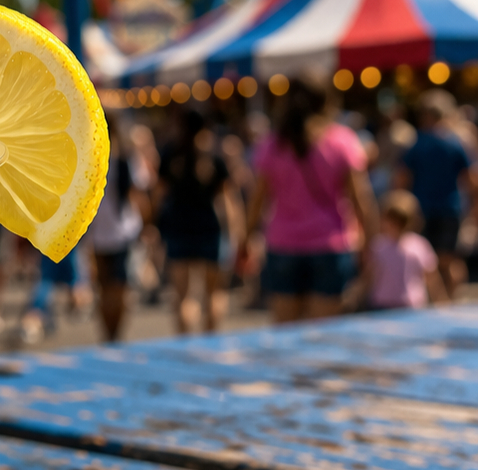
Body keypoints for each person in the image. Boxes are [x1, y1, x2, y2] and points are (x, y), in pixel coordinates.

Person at [246, 75, 377, 322]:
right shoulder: (341, 140)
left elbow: (258, 199)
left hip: (283, 243)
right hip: (330, 243)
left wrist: (246, 237)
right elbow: (362, 200)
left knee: (286, 334)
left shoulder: (273, 143)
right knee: (323, 335)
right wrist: (369, 244)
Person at [154, 108, 240, 333]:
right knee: (214, 294)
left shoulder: (171, 154)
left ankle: (185, 344)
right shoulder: (214, 157)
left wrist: (153, 226)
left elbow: (158, 195)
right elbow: (228, 200)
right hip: (209, 228)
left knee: (183, 296)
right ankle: (210, 342)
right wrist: (237, 233)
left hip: (179, 227)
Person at [396, 89, 474, 295]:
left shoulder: (417, 144)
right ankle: (449, 301)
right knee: (448, 261)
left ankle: (440, 304)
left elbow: (401, 180)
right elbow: (470, 181)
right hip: (450, 209)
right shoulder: (455, 144)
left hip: (422, 210)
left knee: (429, 262)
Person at [87, 113, 149, 341]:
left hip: (103, 231)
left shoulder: (91, 159)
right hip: (120, 230)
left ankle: (110, 336)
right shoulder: (126, 158)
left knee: (106, 288)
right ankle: (113, 336)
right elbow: (139, 193)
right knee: (118, 288)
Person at [367, 190, 445, 311]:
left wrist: (441, 304)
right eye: (392, 219)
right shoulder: (378, 246)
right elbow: (369, 277)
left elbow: (432, 278)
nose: (396, 224)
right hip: (382, 307)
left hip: (412, 307)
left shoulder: (420, 245)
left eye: (401, 220)